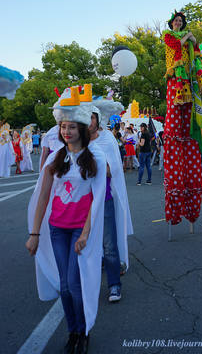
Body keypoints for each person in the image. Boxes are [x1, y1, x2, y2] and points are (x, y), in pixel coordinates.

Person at [26, 88, 106, 354]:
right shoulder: (54, 158)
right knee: (64, 286)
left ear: (82, 129)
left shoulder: (96, 158)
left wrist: (85, 234)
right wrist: (34, 233)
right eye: (63, 126)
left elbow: (96, 201)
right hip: (57, 229)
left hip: (80, 232)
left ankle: (83, 332)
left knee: (74, 283)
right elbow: (43, 197)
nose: (66, 131)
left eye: (72, 127)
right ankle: (73, 331)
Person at [162, 11, 202, 224]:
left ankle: (191, 206)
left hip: (189, 81)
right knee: (176, 113)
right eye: (176, 21)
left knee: (189, 119)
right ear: (172, 23)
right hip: (175, 79)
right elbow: (175, 46)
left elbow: (196, 51)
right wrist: (187, 38)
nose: (178, 23)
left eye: (181, 21)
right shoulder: (168, 35)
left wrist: (194, 41)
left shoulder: (188, 38)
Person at [88, 107, 133, 303]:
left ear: (97, 120)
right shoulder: (76, 140)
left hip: (104, 198)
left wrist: (93, 166)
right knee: (86, 244)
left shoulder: (106, 139)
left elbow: (111, 170)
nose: (88, 122)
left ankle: (114, 284)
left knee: (109, 244)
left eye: (91, 118)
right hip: (82, 201)